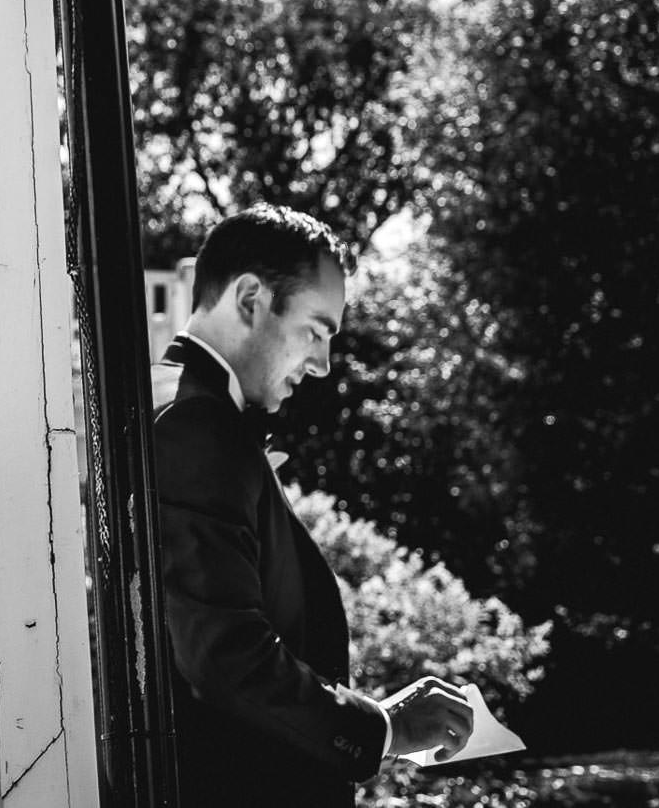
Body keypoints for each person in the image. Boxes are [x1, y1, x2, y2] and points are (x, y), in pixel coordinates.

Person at [152, 204, 475, 806]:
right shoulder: (197, 428)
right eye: (316, 330)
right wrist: (386, 730)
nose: (323, 364)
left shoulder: (177, 403)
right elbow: (224, 658)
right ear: (251, 299)